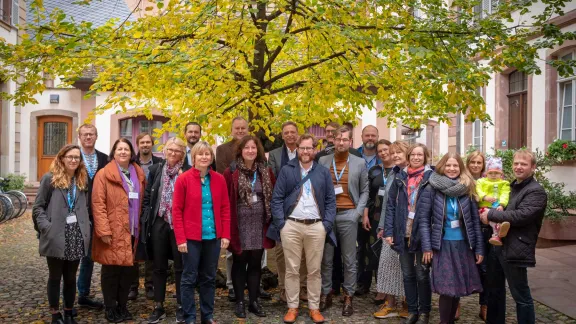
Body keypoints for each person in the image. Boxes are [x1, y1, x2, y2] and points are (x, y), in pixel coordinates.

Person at [268, 133, 336, 324]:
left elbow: (331, 200)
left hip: (316, 226)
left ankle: (314, 308)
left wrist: (326, 225)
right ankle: (292, 306)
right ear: (297, 149)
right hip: (292, 225)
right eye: (302, 148)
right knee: (292, 270)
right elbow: (277, 199)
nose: (306, 152)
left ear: (315, 150)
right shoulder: (287, 170)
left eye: (309, 148)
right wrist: (282, 224)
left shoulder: (322, 171)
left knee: (314, 270)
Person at [480, 149, 547, 324]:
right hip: (498, 246)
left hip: (516, 247)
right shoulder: (510, 187)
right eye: (516, 163)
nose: (518, 167)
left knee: (521, 295)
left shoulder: (535, 191)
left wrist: (491, 214)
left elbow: (521, 216)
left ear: (533, 167)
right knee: (494, 292)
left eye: (523, 164)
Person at [419, 153, 484, 324]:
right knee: (447, 289)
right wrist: (426, 247)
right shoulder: (431, 188)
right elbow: (423, 220)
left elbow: (475, 222)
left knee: (457, 290)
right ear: (442, 166)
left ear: (461, 168)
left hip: (463, 245)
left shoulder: (467, 187)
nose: (452, 169)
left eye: (455, 166)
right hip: (441, 245)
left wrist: (479, 249)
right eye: (448, 165)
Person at [173, 141, 231, 324]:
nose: (204, 157)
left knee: (209, 277)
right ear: (194, 157)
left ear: (211, 157)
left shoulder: (219, 179)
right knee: (189, 278)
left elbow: (225, 208)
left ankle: (207, 316)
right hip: (190, 238)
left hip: (212, 237)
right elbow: (176, 211)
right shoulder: (183, 179)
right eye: (200, 154)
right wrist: (180, 238)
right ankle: (189, 317)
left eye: (207, 154)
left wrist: (226, 234)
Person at [33, 144, 92, 324]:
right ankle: (55, 314)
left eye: (77, 157)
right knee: (55, 276)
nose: (74, 160)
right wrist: (46, 228)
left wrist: (87, 225)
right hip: (56, 234)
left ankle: (68, 312)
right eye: (70, 157)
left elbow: (87, 207)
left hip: (76, 234)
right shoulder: (49, 179)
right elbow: (38, 208)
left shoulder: (82, 179)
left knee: (70, 277)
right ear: (62, 158)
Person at [92, 138, 146, 323]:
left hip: (133, 231)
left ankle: (122, 306)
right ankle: (110, 308)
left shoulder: (138, 173)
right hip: (112, 231)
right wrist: (104, 231)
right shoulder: (103, 174)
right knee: (111, 271)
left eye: (126, 149)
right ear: (113, 152)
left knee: (128, 272)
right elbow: (98, 205)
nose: (123, 152)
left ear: (131, 153)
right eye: (119, 149)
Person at [318, 126, 369, 316]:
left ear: (350, 142)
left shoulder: (359, 162)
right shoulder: (322, 161)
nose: (341, 142)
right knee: (327, 258)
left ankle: (348, 296)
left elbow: (365, 190)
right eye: (338, 139)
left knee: (349, 259)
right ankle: (326, 293)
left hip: (349, 214)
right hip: (328, 216)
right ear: (333, 140)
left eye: (344, 139)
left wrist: (357, 212)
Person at [224, 135, 276, 318]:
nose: (250, 151)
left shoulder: (265, 171)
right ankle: (240, 302)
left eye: (254, 148)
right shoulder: (231, 172)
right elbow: (225, 201)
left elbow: (273, 196)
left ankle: (253, 301)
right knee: (239, 263)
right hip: (239, 225)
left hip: (260, 224)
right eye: (247, 148)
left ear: (258, 150)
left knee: (255, 264)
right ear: (241, 150)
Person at [141, 137, 190, 323]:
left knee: (180, 266)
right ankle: (159, 305)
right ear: (164, 151)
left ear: (182, 154)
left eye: (177, 151)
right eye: (170, 150)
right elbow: (147, 197)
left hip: (180, 224)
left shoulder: (187, 172)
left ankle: (180, 305)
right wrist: (147, 219)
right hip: (159, 222)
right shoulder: (155, 170)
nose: (173, 153)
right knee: (158, 266)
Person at [384, 143, 433, 324]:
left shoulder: (431, 177)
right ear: (409, 156)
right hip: (402, 230)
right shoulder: (400, 176)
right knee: (407, 274)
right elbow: (390, 205)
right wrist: (389, 231)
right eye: (413, 154)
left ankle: (425, 312)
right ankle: (412, 311)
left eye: (420, 155)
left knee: (422, 273)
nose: (416, 158)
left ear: (425, 157)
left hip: (422, 233)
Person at [267, 121, 308, 302]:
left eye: (293, 132)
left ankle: (303, 287)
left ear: (298, 134)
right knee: (282, 251)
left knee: (305, 251)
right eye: (286, 132)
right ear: (282, 135)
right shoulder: (275, 155)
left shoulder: (305, 152)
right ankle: (284, 288)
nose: (290, 135)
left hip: (304, 208)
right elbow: (273, 178)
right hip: (281, 207)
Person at [372, 141, 409, 319]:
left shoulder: (412, 174)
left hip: (407, 227)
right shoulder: (393, 173)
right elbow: (386, 202)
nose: (395, 156)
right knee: (387, 264)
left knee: (407, 267)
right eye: (393, 153)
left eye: (399, 152)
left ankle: (407, 304)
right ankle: (390, 304)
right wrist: (382, 226)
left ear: (406, 153)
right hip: (390, 227)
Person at [215, 116, 248, 302]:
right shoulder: (222, 150)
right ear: (232, 129)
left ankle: (254, 285)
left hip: (253, 206)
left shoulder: (254, 146)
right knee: (232, 249)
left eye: (243, 128)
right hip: (231, 203)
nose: (240, 131)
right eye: (237, 128)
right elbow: (222, 175)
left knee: (254, 250)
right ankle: (231, 285)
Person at [76, 124, 108, 311]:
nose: (88, 137)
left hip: (99, 213)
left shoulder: (104, 158)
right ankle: (77, 294)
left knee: (93, 256)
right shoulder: (73, 156)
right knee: (75, 256)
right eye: (85, 134)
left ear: (96, 136)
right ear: (79, 137)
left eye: (91, 134)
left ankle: (88, 293)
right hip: (78, 214)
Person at [130, 133, 163, 301]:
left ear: (152, 144)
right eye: (142, 142)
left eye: (148, 142)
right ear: (137, 144)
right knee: (133, 248)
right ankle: (132, 286)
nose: (145, 145)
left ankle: (149, 285)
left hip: (152, 210)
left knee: (151, 247)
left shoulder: (159, 164)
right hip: (133, 209)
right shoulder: (130, 163)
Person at [357, 138, 389, 297]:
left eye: (386, 150)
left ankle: (385, 289)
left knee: (388, 252)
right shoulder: (374, 170)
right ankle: (378, 288)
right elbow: (367, 194)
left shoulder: (398, 171)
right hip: (374, 215)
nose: (383, 153)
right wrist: (365, 215)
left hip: (391, 216)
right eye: (380, 151)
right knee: (374, 251)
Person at [465, 150, 489, 320]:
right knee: (461, 267)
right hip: (465, 229)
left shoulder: (490, 181)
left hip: (485, 228)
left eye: (479, 162)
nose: (475, 165)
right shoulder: (462, 180)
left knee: (486, 270)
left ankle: (485, 305)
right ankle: (455, 304)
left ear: (483, 165)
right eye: (472, 162)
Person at [477, 157, 511, 246]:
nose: (493, 175)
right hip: (484, 207)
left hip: (496, 207)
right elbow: (478, 190)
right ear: (486, 173)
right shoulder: (481, 181)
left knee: (498, 217)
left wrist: (502, 204)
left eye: (496, 173)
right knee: (491, 219)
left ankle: (497, 233)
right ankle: (497, 233)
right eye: (490, 173)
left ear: (501, 174)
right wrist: (484, 197)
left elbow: (505, 194)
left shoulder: (504, 183)